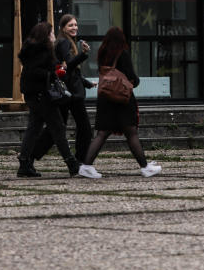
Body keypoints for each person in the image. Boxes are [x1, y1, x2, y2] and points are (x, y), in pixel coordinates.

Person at [79, 26, 161, 178]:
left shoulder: (103, 54)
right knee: (131, 132)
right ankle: (145, 167)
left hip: (105, 98)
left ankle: (86, 165)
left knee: (102, 133)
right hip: (122, 100)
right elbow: (132, 78)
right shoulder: (122, 54)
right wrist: (136, 81)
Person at [16, 21, 80, 178]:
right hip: (42, 96)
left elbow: (34, 71)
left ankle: (24, 163)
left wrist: (55, 71)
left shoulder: (32, 51)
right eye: (51, 34)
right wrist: (53, 74)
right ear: (45, 36)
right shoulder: (42, 52)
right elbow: (37, 72)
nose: (53, 36)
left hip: (34, 95)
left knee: (34, 129)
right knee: (58, 128)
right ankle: (72, 164)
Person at [36, 13, 94, 163]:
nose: (74, 28)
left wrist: (87, 83)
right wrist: (84, 54)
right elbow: (69, 65)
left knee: (56, 128)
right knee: (85, 128)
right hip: (71, 94)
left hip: (67, 92)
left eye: (75, 25)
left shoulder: (64, 42)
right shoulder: (64, 43)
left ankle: (30, 155)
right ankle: (81, 160)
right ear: (63, 28)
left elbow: (69, 69)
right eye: (70, 25)